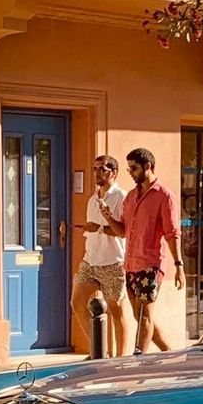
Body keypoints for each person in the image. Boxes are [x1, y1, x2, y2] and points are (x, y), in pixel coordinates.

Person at [121, 146, 183, 353]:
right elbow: (122, 229)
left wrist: (179, 265)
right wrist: (106, 219)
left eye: (134, 168)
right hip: (130, 264)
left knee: (145, 314)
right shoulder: (130, 197)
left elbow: (172, 233)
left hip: (151, 264)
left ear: (148, 166)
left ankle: (140, 357)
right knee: (138, 314)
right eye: (129, 168)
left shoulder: (164, 196)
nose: (130, 172)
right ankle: (169, 352)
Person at [70, 153, 127, 357]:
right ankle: (99, 350)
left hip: (113, 261)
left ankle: (120, 358)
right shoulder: (92, 200)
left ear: (113, 172)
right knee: (76, 302)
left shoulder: (121, 197)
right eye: (95, 168)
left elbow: (124, 231)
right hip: (91, 260)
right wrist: (90, 229)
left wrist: (102, 226)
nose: (97, 173)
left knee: (116, 310)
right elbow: (92, 229)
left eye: (102, 168)